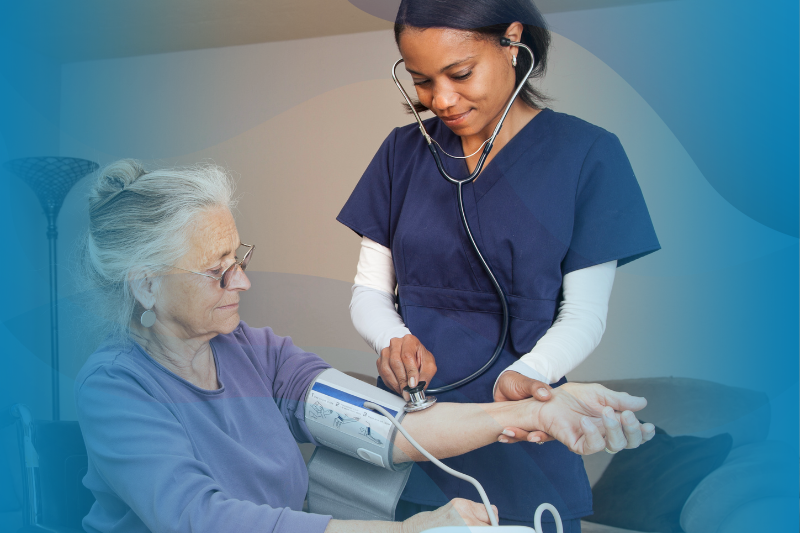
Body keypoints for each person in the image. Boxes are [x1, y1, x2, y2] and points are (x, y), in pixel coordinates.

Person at [75, 160, 655, 533]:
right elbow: (200, 519)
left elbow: (385, 425)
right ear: (146, 284)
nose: (243, 284)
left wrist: (535, 409)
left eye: (239, 260)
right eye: (215, 271)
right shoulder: (115, 387)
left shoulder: (257, 352)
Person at [337, 0, 661, 529]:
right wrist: (390, 340)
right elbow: (368, 292)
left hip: (520, 428)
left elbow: (583, 316)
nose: (441, 99)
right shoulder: (401, 153)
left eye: (459, 73)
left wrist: (527, 376)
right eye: (421, 81)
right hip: (412, 426)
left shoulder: (589, 155)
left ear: (512, 42)